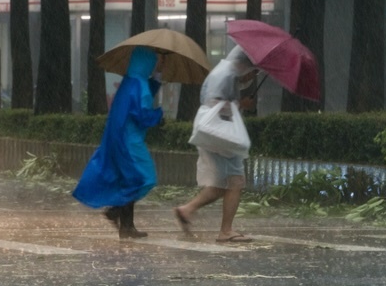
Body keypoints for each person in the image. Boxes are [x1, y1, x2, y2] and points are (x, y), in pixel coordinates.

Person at [73, 46, 164, 239]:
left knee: (128, 179)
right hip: (130, 142)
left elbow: (138, 99)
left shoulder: (131, 81)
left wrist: (156, 79)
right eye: (154, 60)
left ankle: (127, 226)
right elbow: (142, 113)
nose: (155, 63)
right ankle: (115, 211)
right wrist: (158, 115)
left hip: (120, 138)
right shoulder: (138, 85)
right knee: (145, 178)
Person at [173, 46, 258, 242]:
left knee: (221, 183)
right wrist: (241, 105)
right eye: (254, 70)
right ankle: (226, 231)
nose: (253, 75)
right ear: (247, 64)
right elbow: (218, 103)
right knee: (235, 181)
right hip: (221, 136)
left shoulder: (224, 72)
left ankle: (186, 210)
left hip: (213, 134)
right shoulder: (227, 74)